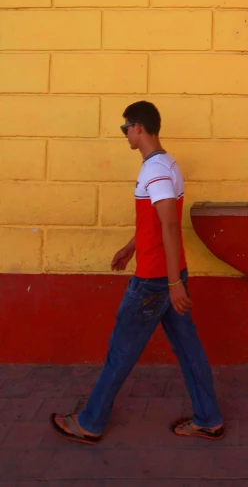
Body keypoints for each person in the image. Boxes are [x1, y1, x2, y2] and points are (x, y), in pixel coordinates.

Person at [50, 100, 224, 444]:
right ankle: (209, 419)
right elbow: (156, 222)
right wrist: (131, 247)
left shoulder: (154, 170)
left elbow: (171, 227)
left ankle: (90, 422)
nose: (125, 134)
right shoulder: (167, 164)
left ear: (138, 127)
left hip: (155, 282)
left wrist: (173, 283)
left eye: (125, 128)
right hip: (169, 275)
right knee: (189, 350)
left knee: (121, 351)